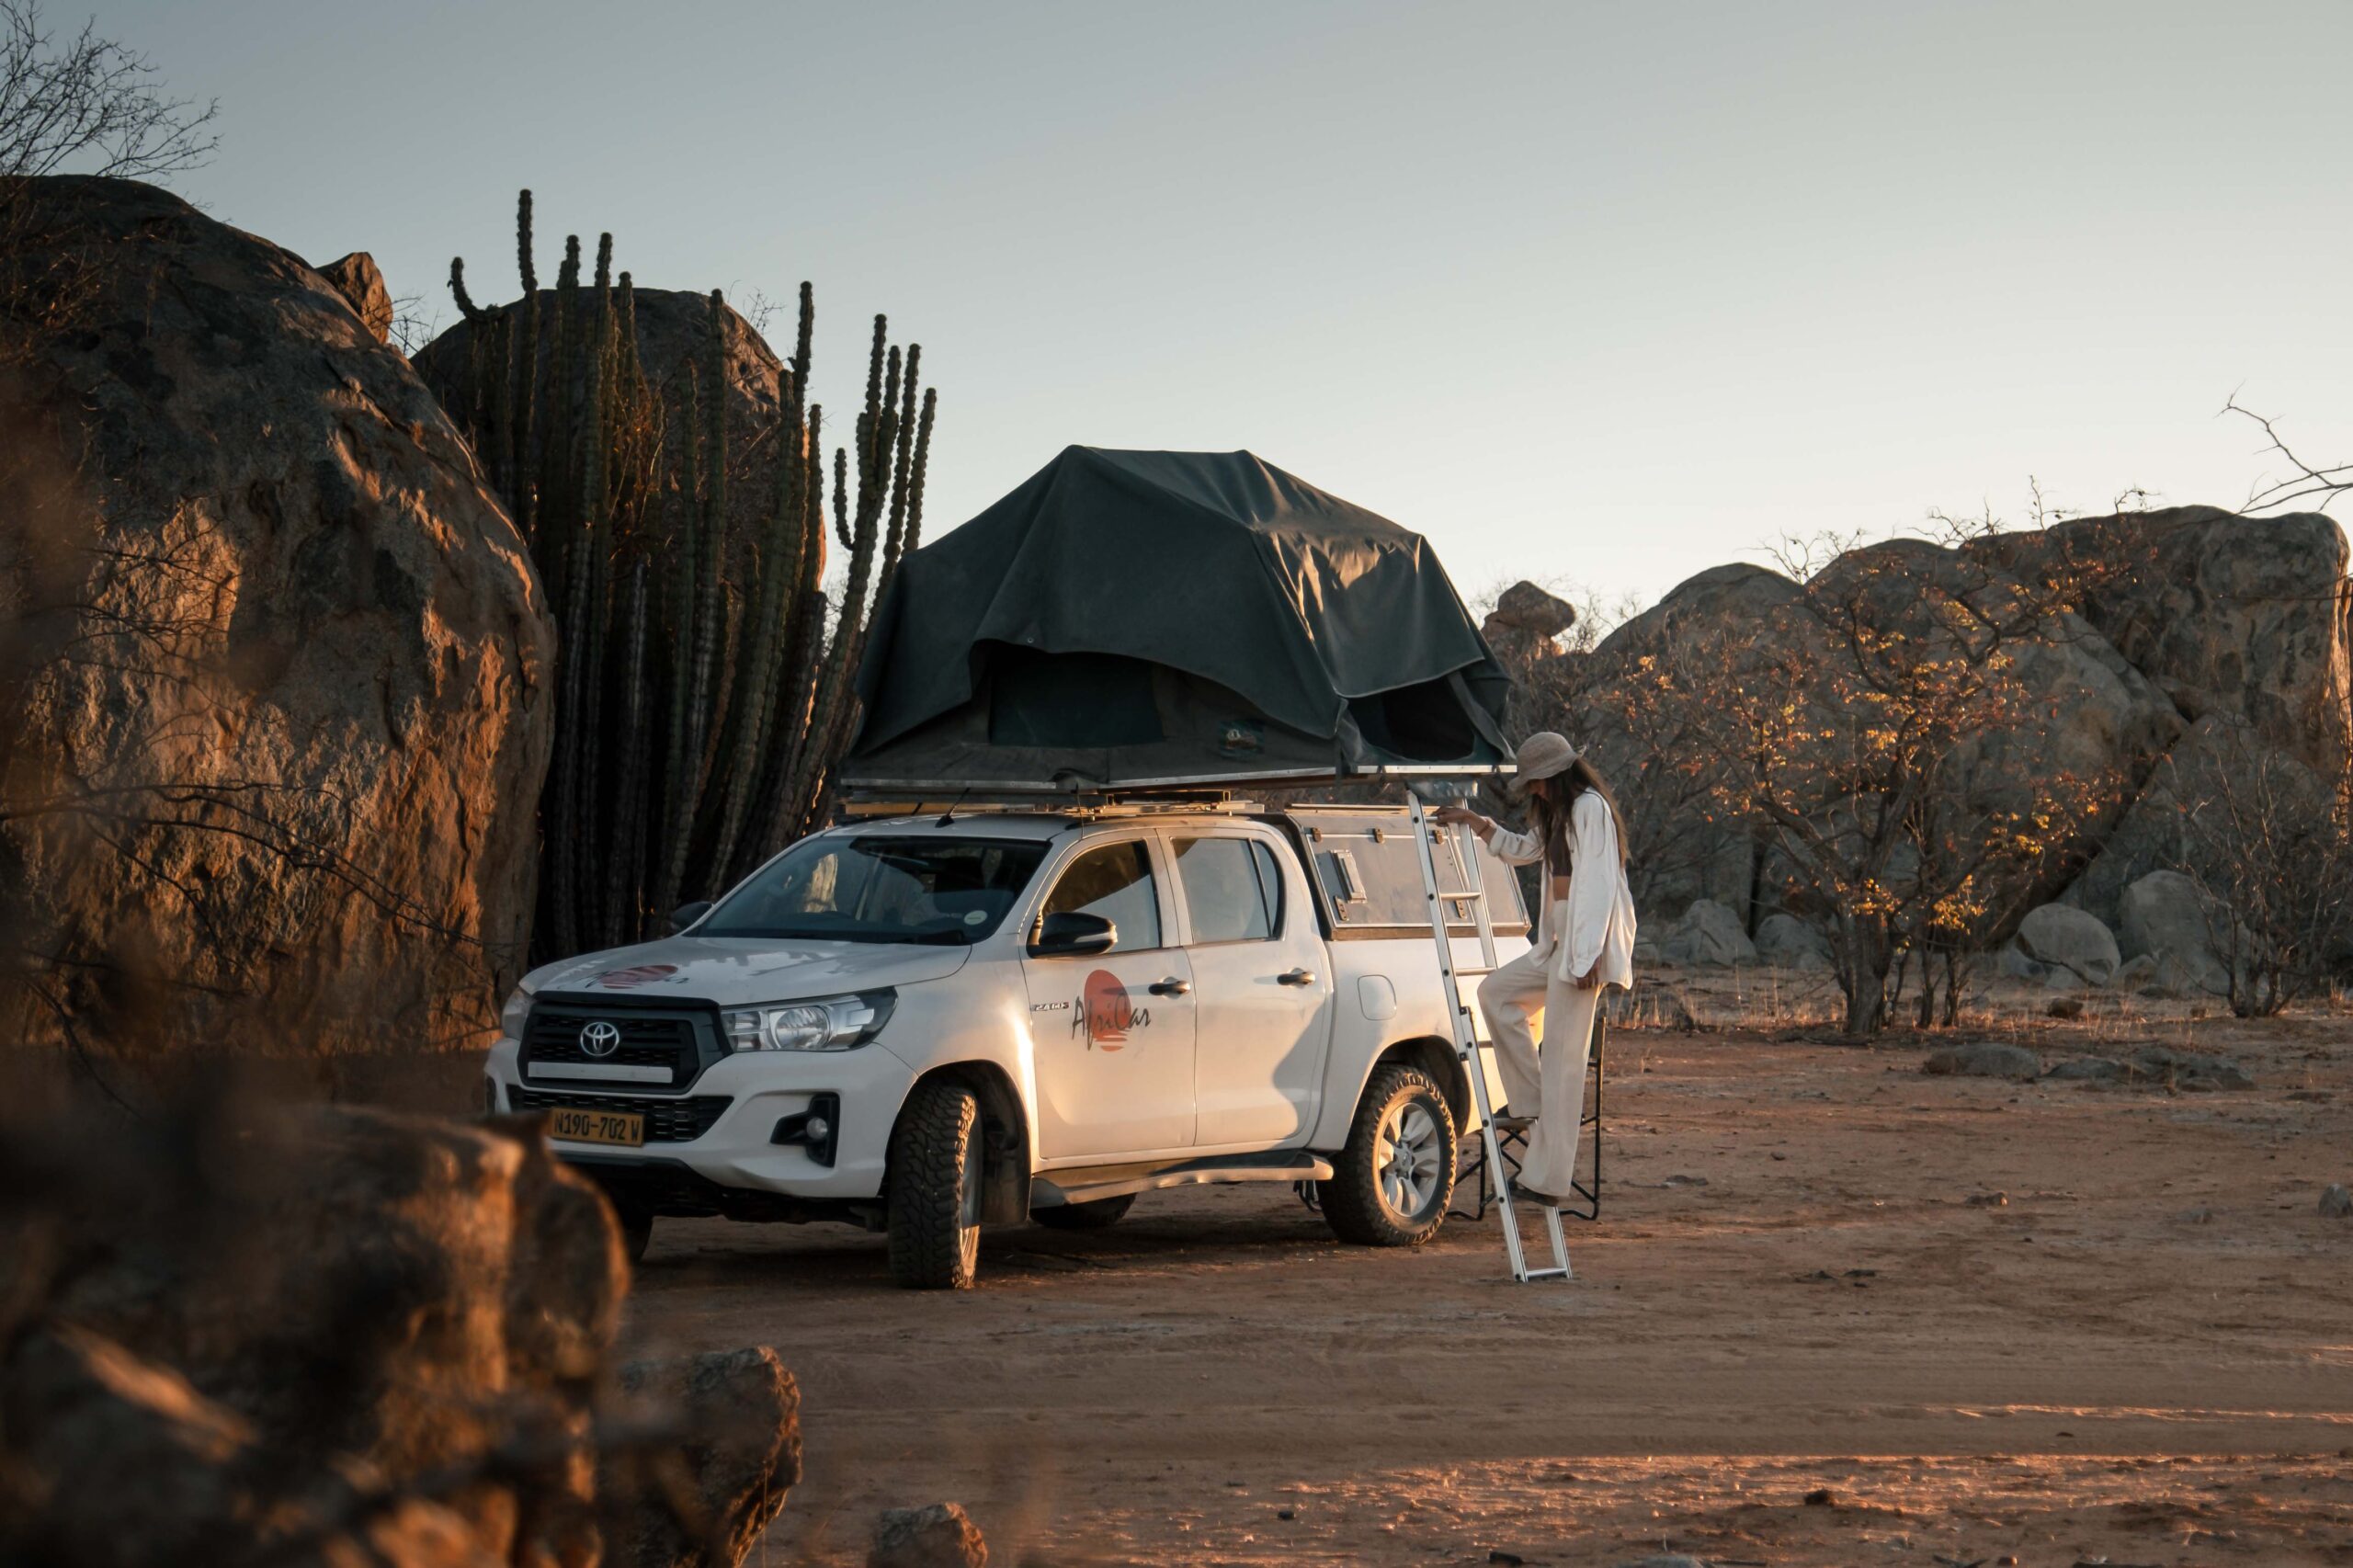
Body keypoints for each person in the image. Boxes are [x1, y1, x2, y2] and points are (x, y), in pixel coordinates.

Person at [1435, 731, 1637, 1208]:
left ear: (1555, 774)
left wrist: (1586, 957)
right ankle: (1528, 1102)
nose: (1535, 792)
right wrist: (1478, 823)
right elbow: (1527, 850)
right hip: (1557, 939)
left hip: (1583, 940)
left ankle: (1545, 1181)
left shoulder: (1591, 809)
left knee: (1564, 1065)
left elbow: (1600, 887)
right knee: (1496, 995)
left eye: (1539, 782)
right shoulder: (1560, 813)